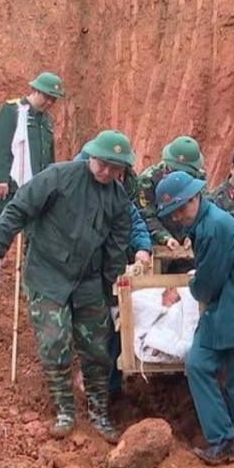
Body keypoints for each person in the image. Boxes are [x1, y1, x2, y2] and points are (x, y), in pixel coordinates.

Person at [0, 130, 134, 444]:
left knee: (97, 349)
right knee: (55, 343)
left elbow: (116, 251)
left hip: (88, 281)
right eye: (102, 164)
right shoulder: (59, 177)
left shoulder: (118, 200)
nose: (106, 172)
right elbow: (19, 208)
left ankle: (99, 413)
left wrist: (114, 297)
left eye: (114, 167)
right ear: (90, 156)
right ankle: (64, 410)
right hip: (48, 273)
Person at [155, 171, 234, 465]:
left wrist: (193, 282)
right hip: (227, 310)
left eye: (182, 207)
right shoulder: (206, 223)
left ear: (196, 197)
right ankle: (224, 438)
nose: (179, 216)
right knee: (198, 364)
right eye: (173, 212)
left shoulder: (214, 228)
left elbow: (207, 285)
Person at [73, 143, 151, 397]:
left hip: (110, 270)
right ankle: (85, 381)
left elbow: (134, 221)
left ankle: (111, 389)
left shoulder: (119, 193)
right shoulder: (72, 189)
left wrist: (142, 248)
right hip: (80, 272)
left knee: (116, 326)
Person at [0, 72, 65, 217]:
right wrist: (1, 179)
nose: (49, 103)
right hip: (13, 185)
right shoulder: (13, 110)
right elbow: (0, 146)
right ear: (35, 91)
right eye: (46, 97)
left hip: (37, 185)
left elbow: (49, 155)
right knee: (5, 226)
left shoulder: (46, 120)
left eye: (53, 99)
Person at [135, 135, 205, 273]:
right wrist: (165, 237)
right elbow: (146, 216)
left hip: (189, 245)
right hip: (158, 243)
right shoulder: (148, 180)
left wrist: (194, 234)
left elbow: (202, 209)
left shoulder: (198, 177)